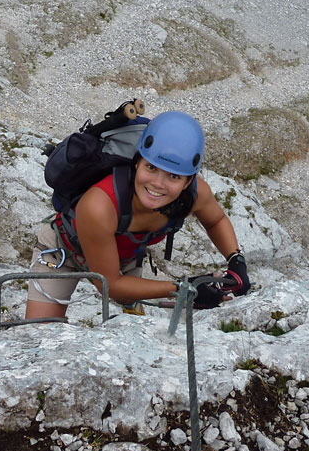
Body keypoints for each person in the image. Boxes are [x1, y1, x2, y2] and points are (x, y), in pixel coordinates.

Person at [25, 111, 250, 320]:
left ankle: (131, 304)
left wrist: (235, 259)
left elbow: (216, 220)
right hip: (64, 251)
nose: (158, 184)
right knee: (39, 334)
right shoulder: (99, 205)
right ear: (137, 163)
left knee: (130, 315)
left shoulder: (196, 194)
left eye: (174, 176)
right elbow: (110, 285)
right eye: (151, 168)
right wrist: (183, 287)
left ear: (188, 181)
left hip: (123, 257)